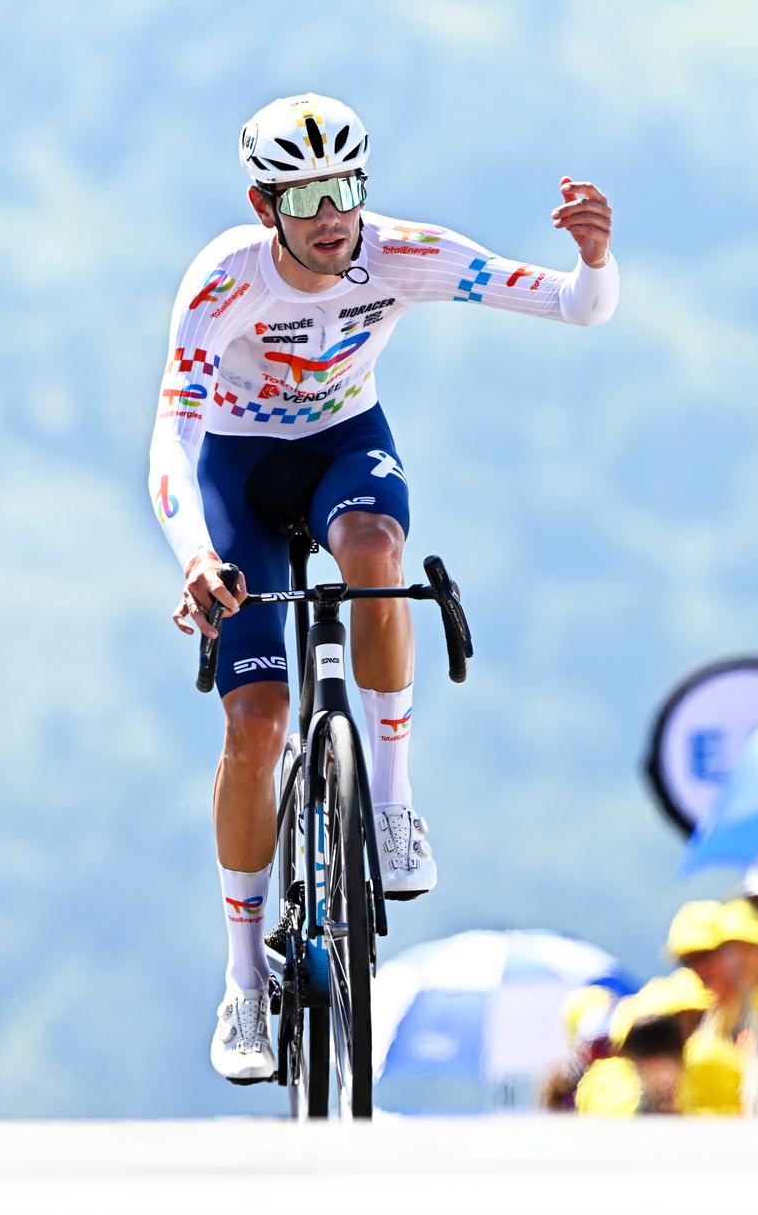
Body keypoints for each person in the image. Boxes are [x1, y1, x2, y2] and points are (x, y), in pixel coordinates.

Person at [154, 93, 620, 1081]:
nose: (337, 215)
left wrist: (594, 258)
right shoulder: (221, 282)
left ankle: (396, 802)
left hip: (344, 449)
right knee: (257, 718)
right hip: (237, 472)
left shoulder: (402, 252)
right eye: (312, 194)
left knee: (374, 544)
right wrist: (195, 552)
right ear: (264, 202)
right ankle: (245, 981)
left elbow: (577, 308)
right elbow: (174, 435)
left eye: (350, 187)